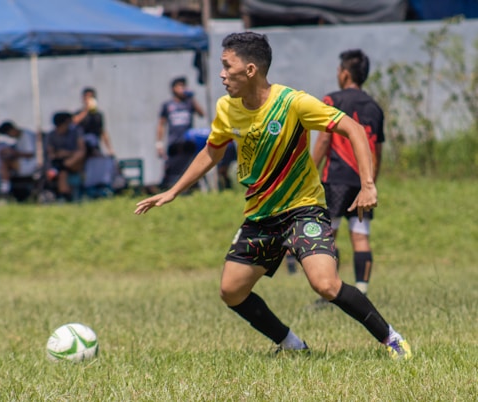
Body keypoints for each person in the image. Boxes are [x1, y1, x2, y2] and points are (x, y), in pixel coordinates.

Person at [135, 32, 411, 360]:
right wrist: (173, 191)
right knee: (231, 291)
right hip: (261, 216)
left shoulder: (293, 103)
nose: (221, 74)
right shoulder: (226, 108)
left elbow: (352, 128)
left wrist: (368, 184)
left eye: (227, 66)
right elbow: (212, 152)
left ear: (250, 70)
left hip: (303, 210)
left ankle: (391, 339)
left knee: (325, 284)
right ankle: (292, 344)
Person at [312, 49, 385, 298]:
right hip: (363, 180)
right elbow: (377, 149)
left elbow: (323, 141)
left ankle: (331, 290)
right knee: (360, 236)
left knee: (328, 235)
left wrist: (309, 170)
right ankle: (362, 290)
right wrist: (370, 182)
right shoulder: (374, 107)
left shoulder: (332, 100)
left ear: (344, 73)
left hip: (336, 178)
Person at [156, 76, 205, 189]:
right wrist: (159, 144)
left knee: (190, 166)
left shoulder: (189, 103)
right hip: (174, 142)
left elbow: (201, 114)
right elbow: (161, 124)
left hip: (188, 141)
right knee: (171, 167)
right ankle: (168, 188)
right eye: (179, 86)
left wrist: (192, 98)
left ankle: (192, 188)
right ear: (173, 88)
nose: (182, 89)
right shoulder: (168, 105)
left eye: (184, 86)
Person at [46, 112, 86, 201]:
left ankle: (61, 167)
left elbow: (81, 151)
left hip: (74, 162)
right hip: (59, 163)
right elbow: (51, 154)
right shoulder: (51, 135)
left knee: (75, 158)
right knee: (63, 173)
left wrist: (67, 153)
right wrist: (58, 154)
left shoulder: (76, 132)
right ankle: (66, 197)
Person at [72, 87, 115, 157]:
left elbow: (102, 132)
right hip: (80, 148)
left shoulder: (98, 115)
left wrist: (110, 149)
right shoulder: (79, 113)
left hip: (94, 147)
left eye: (91, 97)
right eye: (86, 97)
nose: (88, 99)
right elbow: (74, 122)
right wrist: (86, 110)